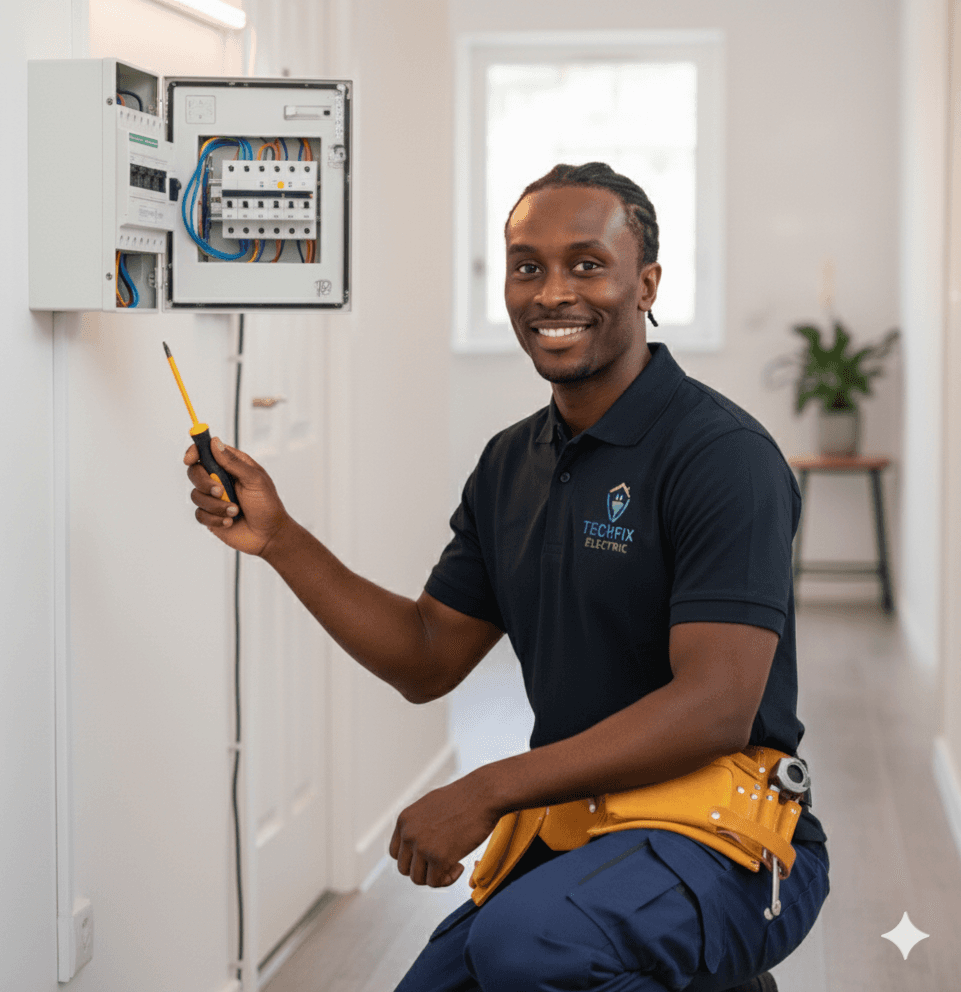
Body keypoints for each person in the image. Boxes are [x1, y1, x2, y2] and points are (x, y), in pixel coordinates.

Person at [183, 162, 829, 992]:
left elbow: (715, 706)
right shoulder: (509, 465)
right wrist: (281, 539)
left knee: (526, 950)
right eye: (528, 267)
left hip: (731, 838)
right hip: (589, 825)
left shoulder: (721, 457)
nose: (552, 291)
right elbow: (426, 657)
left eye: (587, 264)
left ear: (647, 284)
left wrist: (489, 789)